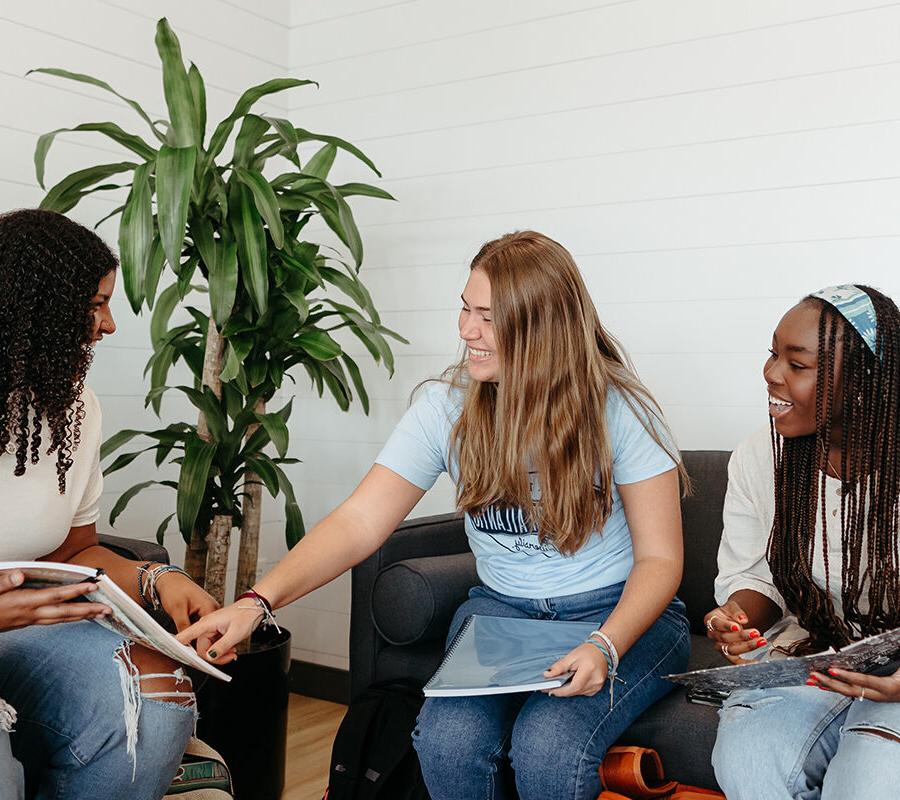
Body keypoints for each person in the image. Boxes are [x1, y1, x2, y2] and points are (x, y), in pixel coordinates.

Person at [179, 230, 691, 800]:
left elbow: (661, 558)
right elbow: (360, 521)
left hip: (616, 613)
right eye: (465, 310)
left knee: (548, 747)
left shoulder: (619, 410)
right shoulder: (446, 409)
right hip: (503, 616)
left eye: (488, 317)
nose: (466, 330)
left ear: (541, 328)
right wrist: (256, 602)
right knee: (447, 742)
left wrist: (605, 644)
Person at [0, 209, 219, 800]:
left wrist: (157, 578)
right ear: (31, 306)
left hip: (29, 622)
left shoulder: (74, 406)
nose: (110, 324)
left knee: (158, 698)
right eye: (94, 305)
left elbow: (76, 549)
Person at [704, 284, 900, 799]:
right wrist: (736, 619)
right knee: (747, 761)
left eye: (797, 363)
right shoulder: (758, 459)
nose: (771, 373)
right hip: (812, 656)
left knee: (867, 785)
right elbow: (755, 578)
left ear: (861, 384)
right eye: (773, 353)